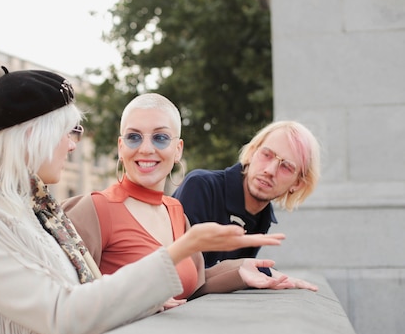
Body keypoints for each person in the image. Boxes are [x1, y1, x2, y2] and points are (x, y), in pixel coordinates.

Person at [0, 68, 284, 334]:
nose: (73, 145)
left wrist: (234, 271)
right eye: (68, 132)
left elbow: (91, 292)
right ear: (32, 135)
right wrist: (183, 248)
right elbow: (63, 314)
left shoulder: (34, 209)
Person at [63, 93, 294, 306]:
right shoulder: (92, 209)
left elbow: (192, 287)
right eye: (134, 137)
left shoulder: (176, 212)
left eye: (160, 138)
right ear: (120, 147)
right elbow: (67, 305)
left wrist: (241, 272)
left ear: (178, 150)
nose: (145, 148)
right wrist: (140, 304)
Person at [172, 120, 321, 292]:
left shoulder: (263, 217)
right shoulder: (200, 186)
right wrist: (261, 271)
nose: (270, 170)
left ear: (298, 184)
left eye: (286, 167)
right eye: (267, 155)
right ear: (251, 152)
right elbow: (185, 281)